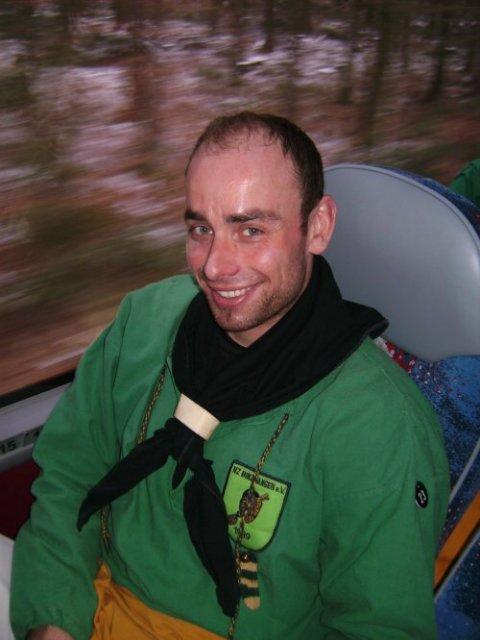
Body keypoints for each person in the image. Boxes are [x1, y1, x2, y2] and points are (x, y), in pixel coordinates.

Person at [10, 112, 449, 639]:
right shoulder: (142, 324)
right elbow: (67, 479)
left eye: (250, 230)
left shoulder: (378, 424)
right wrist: (52, 621)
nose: (215, 266)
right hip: (85, 602)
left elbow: (377, 627)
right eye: (201, 229)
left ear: (317, 227)